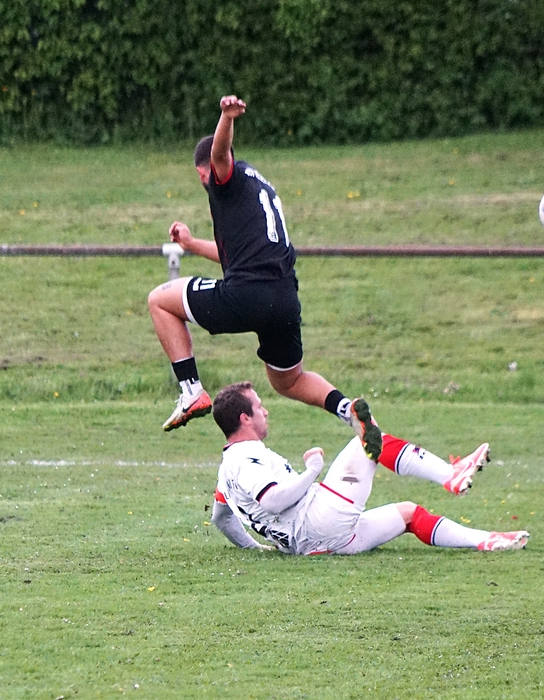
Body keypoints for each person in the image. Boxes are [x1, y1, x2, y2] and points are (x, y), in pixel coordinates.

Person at [146, 95, 381, 458]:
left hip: (246, 294)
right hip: (284, 298)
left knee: (160, 300)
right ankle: (348, 410)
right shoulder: (259, 187)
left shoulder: (225, 175)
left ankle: (191, 390)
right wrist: (191, 245)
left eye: (202, 175)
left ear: (203, 170)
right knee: (288, 380)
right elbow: (236, 255)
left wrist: (226, 117)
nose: (205, 180)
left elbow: (220, 154)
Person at [209, 382, 530, 556]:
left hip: (314, 543)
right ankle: (451, 475)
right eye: (259, 407)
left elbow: (221, 518)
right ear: (245, 419)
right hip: (319, 521)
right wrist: (312, 471)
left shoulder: (228, 469)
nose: (266, 411)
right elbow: (272, 501)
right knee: (368, 440)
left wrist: (257, 549)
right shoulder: (245, 458)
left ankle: (486, 540)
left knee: (409, 514)